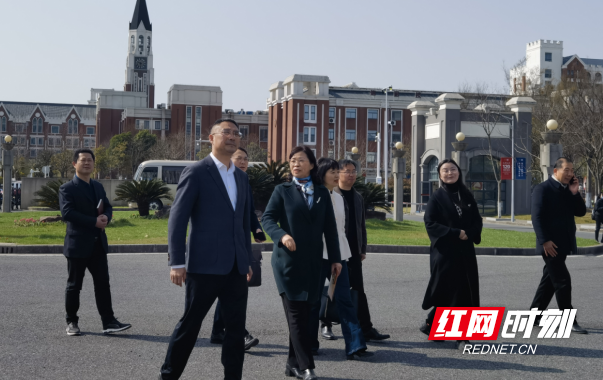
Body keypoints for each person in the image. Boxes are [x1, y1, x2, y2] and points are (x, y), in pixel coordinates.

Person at [159, 119, 255, 380]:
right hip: (203, 267)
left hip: (235, 268)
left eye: (236, 133)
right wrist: (177, 261)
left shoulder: (241, 178)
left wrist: (246, 260)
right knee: (190, 326)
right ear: (211, 138)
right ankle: (168, 376)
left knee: (235, 331)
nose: (232, 137)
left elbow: (243, 223)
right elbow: (177, 219)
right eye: (226, 132)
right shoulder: (197, 171)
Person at [262, 146, 342, 380]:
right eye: (292, 161)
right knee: (296, 314)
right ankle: (307, 366)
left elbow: (331, 230)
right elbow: (267, 219)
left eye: (301, 160)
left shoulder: (321, 193)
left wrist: (335, 259)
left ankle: (291, 364)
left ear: (311, 165)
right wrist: (281, 235)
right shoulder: (282, 190)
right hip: (287, 263)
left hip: (313, 264)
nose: (296, 164)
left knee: (306, 315)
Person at [59, 148, 131, 336]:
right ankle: (72, 322)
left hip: (98, 244)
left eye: (90, 160)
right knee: (74, 285)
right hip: (77, 245)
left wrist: (106, 217)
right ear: (74, 164)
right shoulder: (67, 188)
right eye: (83, 160)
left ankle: (108, 321)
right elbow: (67, 213)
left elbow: (107, 206)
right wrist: (94, 222)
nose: (87, 163)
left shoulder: (98, 186)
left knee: (103, 283)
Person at [308, 158, 374, 360]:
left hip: (339, 255)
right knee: (312, 301)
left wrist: (346, 253)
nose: (338, 175)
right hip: (317, 255)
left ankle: (355, 345)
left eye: (339, 172)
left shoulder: (338, 198)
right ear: (321, 173)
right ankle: (309, 344)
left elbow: (342, 230)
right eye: (333, 172)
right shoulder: (312, 195)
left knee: (345, 299)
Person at [420, 158, 482, 349]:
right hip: (445, 252)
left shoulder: (467, 195)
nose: (449, 173)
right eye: (445, 170)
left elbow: (477, 221)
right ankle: (438, 326)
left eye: (453, 169)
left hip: (465, 251)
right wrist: (455, 233)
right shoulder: (437, 197)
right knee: (447, 289)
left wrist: (469, 234)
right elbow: (430, 223)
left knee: (465, 292)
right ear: (439, 174)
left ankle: (459, 335)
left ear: (459, 172)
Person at [210, 147, 265, 351]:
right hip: (221, 245)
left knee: (230, 289)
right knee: (231, 291)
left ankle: (218, 331)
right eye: (239, 158)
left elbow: (249, 211)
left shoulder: (244, 182)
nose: (243, 162)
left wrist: (256, 229)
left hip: (240, 243)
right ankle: (238, 334)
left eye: (246, 159)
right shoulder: (222, 181)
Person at [529, 157, 588, 334]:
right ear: (556, 171)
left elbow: (580, 212)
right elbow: (536, 217)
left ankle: (534, 316)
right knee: (562, 280)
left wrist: (575, 192)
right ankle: (569, 320)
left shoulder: (567, 189)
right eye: (567, 170)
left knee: (549, 281)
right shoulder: (543, 189)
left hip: (564, 243)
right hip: (550, 245)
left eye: (572, 171)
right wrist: (544, 240)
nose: (570, 173)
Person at [335, 159, 390, 342]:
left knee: (358, 289)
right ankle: (325, 324)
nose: (350, 174)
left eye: (353, 171)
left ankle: (366, 328)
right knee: (331, 289)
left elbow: (361, 226)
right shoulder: (332, 195)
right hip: (336, 252)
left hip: (354, 252)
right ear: (338, 173)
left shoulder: (358, 197)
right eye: (346, 171)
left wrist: (362, 248)